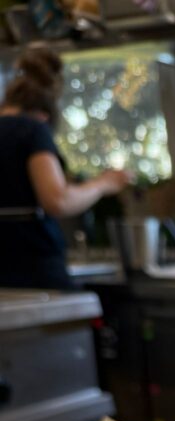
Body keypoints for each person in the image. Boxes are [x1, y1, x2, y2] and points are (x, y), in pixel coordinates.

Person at [0, 45, 130, 290]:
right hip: (33, 268)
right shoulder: (32, 131)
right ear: (45, 112)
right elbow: (57, 200)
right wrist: (103, 184)